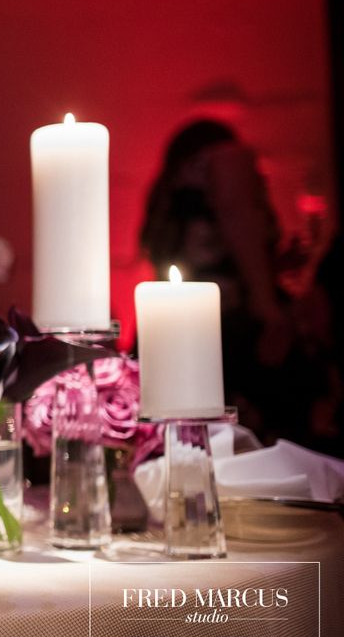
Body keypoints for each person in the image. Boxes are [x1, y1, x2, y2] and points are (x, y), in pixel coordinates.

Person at [139, 119, 324, 442]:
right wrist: (268, 307)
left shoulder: (175, 197)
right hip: (227, 336)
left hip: (177, 333)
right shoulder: (225, 161)